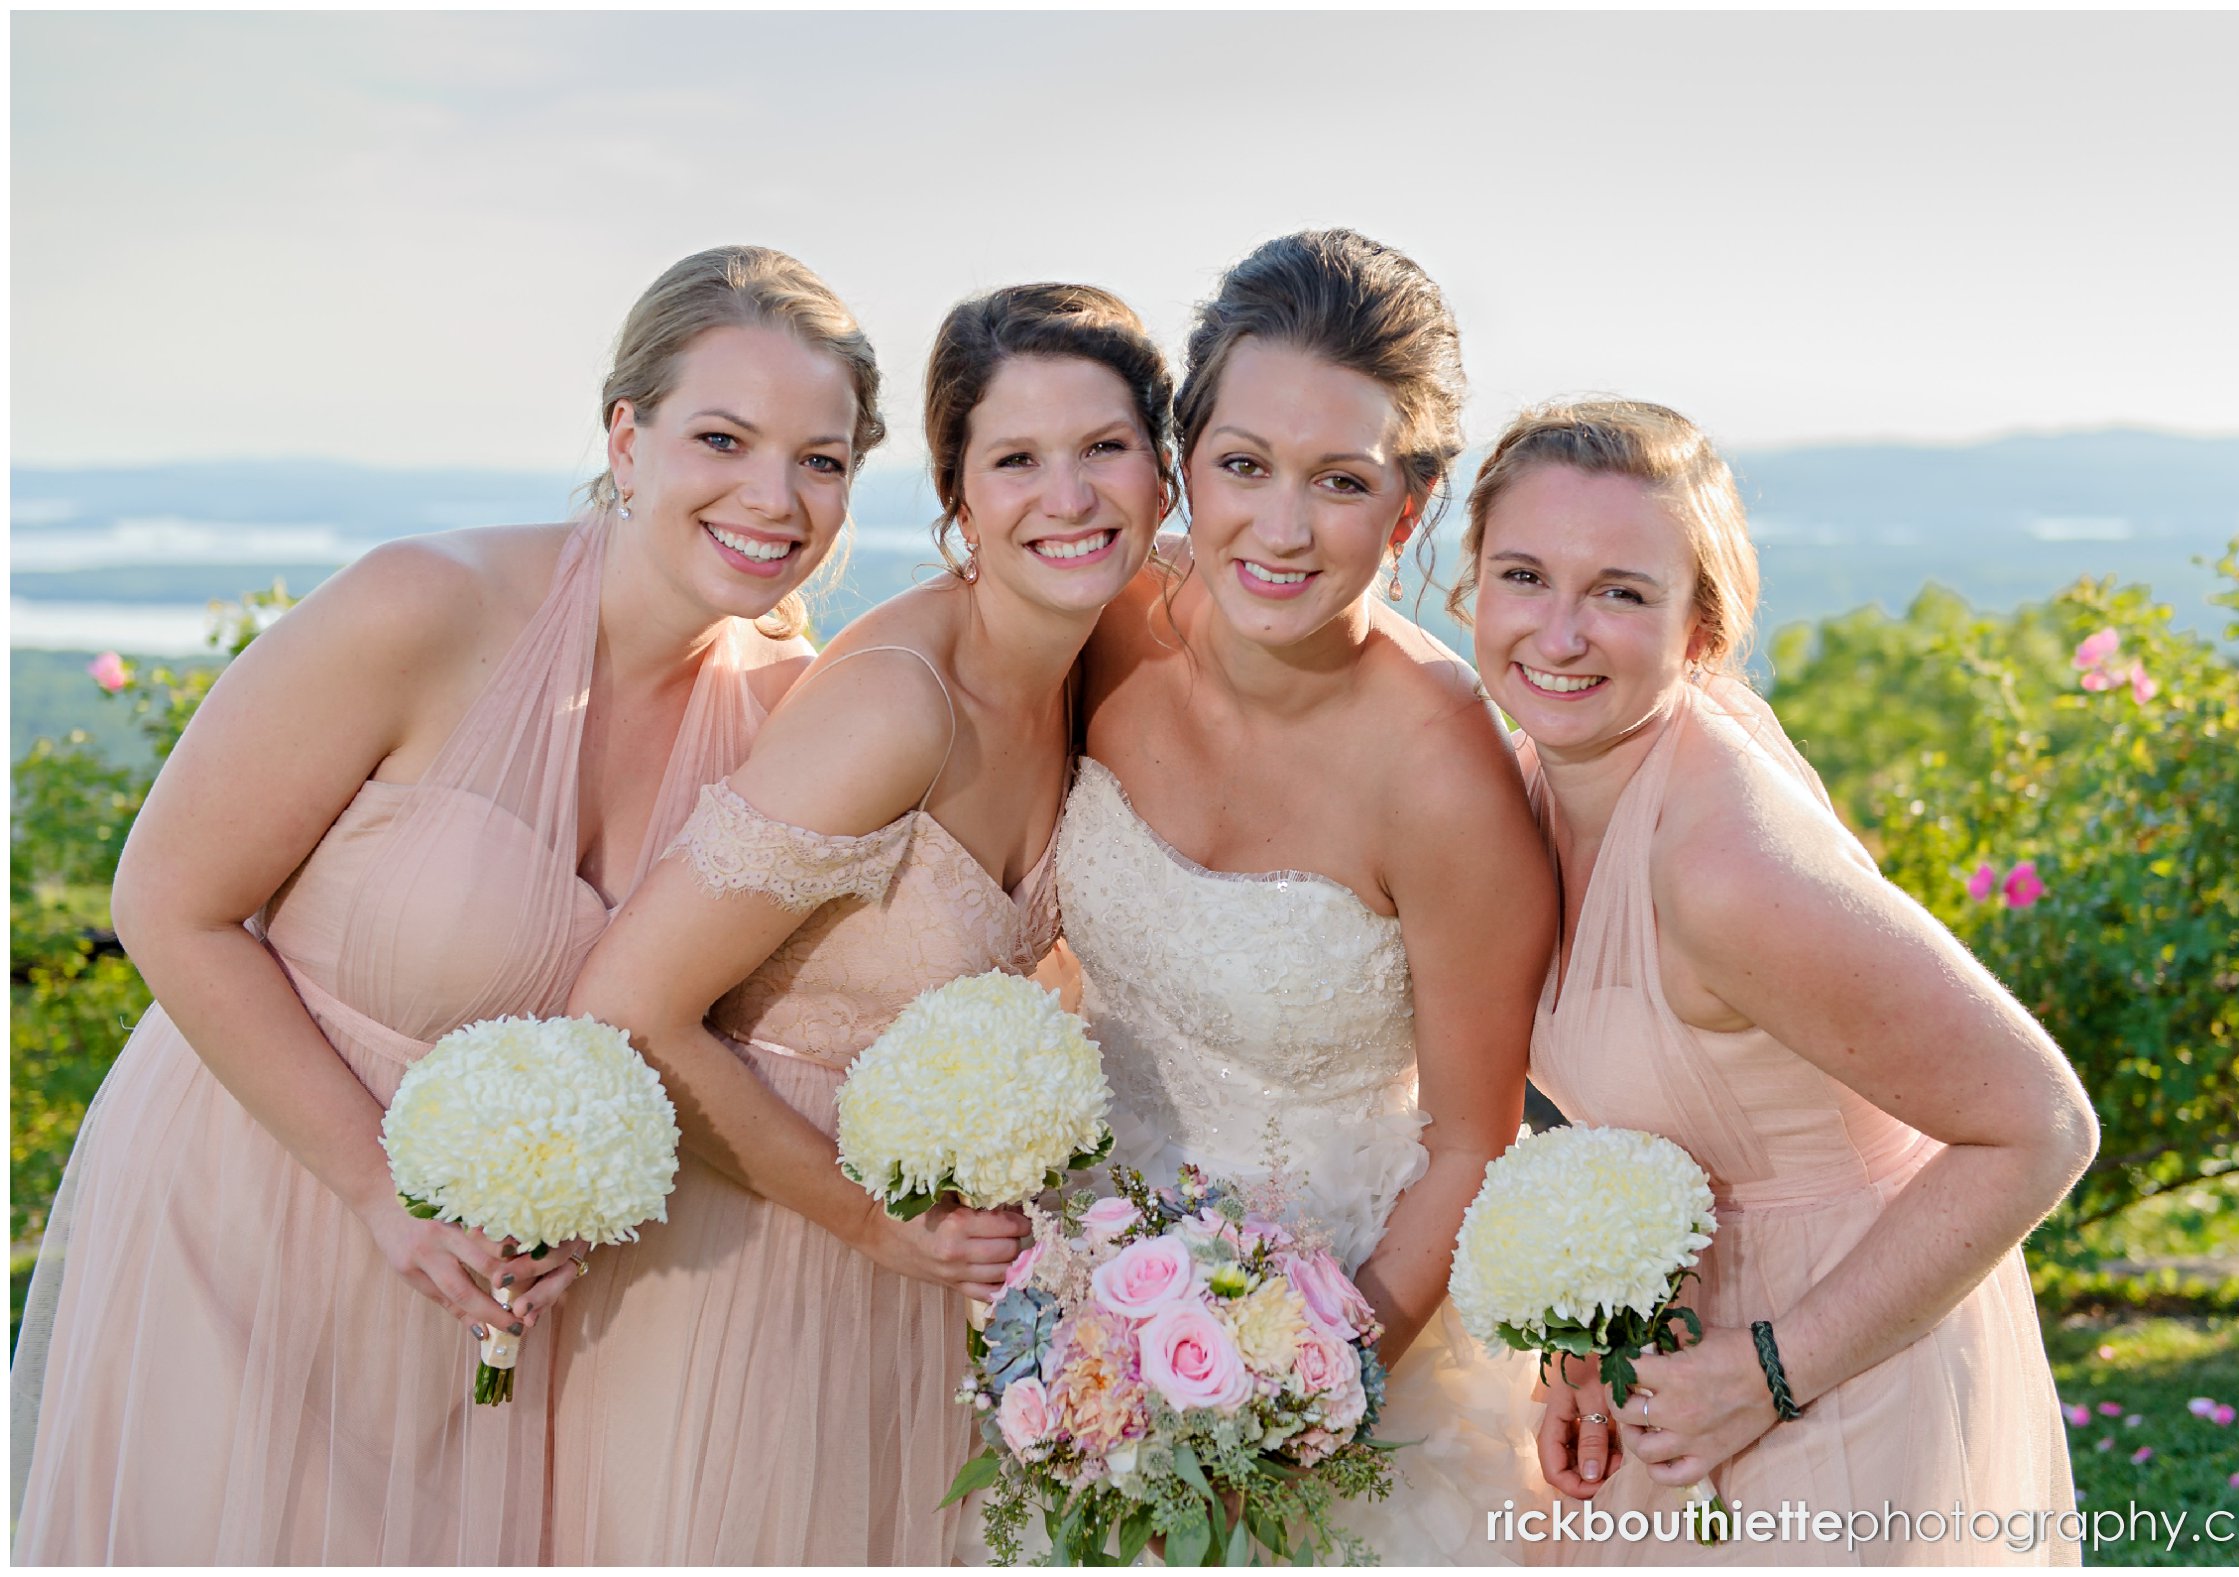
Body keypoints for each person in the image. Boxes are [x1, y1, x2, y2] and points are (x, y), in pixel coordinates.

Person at [7, 245, 883, 1563]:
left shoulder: (792, 713)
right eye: (725, 437)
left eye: (821, 459)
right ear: (625, 439)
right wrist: (374, 1189)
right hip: (265, 1202)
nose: (776, 496)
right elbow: (170, 900)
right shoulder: (425, 604)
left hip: (515, 1300)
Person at [548, 282, 1174, 1563]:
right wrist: (866, 1223)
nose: (1068, 496)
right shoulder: (897, 704)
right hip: (761, 1265)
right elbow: (626, 1004)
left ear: (1161, 473)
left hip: (937, 1289)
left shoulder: (1092, 669)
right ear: (956, 496)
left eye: (1103, 448)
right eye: (1014, 460)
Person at [1463, 400, 2093, 1565]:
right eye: (1522, 575)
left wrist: (1770, 1368)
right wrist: (1581, 1343)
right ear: (1471, 591)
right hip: (1676, 1370)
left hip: (1840, 1360)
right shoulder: (1526, 780)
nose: (1557, 632)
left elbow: (2040, 1126)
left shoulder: (1726, 872)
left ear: (1697, 631)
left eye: (1619, 592)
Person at [1052, 228, 1557, 1563]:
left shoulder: (1446, 777)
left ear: (1410, 503)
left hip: (1344, 1318)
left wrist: (1298, 1392)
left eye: (1338, 482)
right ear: (1184, 463)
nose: (1279, 530)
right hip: (1073, 1316)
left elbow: (1474, 1143)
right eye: (1241, 467)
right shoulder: (1101, 627)